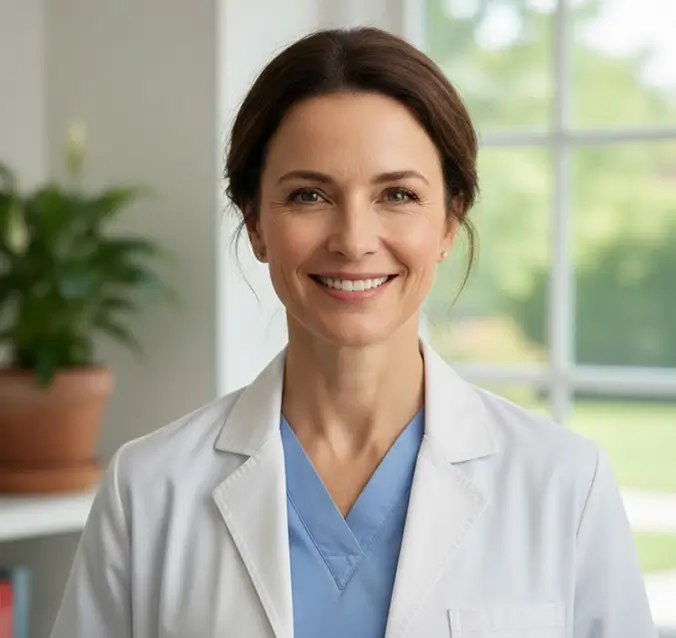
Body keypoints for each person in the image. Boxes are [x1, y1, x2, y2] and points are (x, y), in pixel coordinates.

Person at [50, 27, 656, 638]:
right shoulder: (148, 490)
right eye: (309, 195)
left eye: (397, 194)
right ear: (256, 222)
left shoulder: (565, 485)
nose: (355, 240)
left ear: (449, 221)